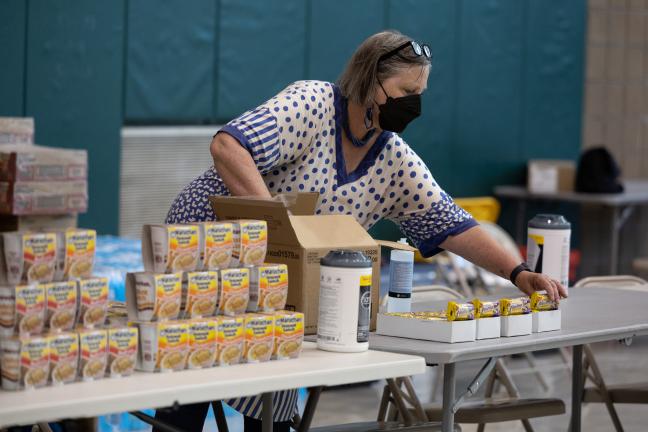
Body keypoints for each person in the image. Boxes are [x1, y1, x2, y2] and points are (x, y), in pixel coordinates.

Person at [157, 29, 567, 432]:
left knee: (270, 402)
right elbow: (229, 147)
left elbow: (451, 224)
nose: (413, 105)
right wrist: (280, 232)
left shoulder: (392, 159)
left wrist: (518, 272)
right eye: (405, 92)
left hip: (277, 281)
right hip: (206, 245)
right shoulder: (312, 104)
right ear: (370, 81)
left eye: (419, 94)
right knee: (188, 392)